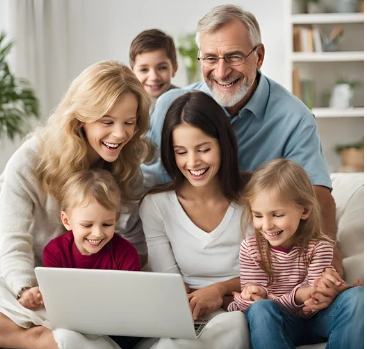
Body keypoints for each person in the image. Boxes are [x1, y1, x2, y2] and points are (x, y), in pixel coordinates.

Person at [141, 4, 343, 276]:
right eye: (210, 58)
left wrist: (324, 267)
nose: (222, 72)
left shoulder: (294, 118)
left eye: (234, 57)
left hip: (259, 261)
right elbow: (151, 183)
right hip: (185, 253)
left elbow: (316, 197)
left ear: (259, 56)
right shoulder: (170, 107)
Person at [0, 60, 153, 349]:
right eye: (107, 122)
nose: (120, 134)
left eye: (129, 122)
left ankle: (64, 337)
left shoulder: (127, 166)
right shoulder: (30, 160)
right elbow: (11, 243)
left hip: (93, 285)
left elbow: (135, 242)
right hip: (30, 278)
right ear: (80, 118)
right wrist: (26, 288)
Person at [137, 90, 251, 349]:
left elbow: (268, 271)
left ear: (223, 144)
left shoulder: (252, 199)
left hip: (238, 310)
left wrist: (218, 291)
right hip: (185, 313)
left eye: (203, 149)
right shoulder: (156, 205)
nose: (192, 162)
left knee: (232, 325)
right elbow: (170, 284)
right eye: (181, 152)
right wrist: (198, 299)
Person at [228, 159, 364, 349]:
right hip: (282, 324)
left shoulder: (320, 246)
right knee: (259, 309)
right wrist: (250, 296)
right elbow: (247, 309)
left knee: (358, 296)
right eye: (258, 215)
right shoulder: (251, 248)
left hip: (319, 320)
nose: (266, 225)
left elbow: (312, 306)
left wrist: (332, 291)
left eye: (277, 215)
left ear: (305, 210)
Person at [40, 169, 141, 349]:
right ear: (67, 221)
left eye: (107, 224)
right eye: (87, 225)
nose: (97, 233)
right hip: (74, 325)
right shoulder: (55, 252)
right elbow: (57, 306)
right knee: (62, 335)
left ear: (116, 220)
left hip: (118, 328)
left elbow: (131, 305)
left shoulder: (125, 253)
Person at [130, 29, 178, 111]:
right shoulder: (127, 103)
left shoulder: (185, 102)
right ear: (132, 73)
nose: (154, 77)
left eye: (162, 68)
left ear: (174, 68)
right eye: (144, 69)